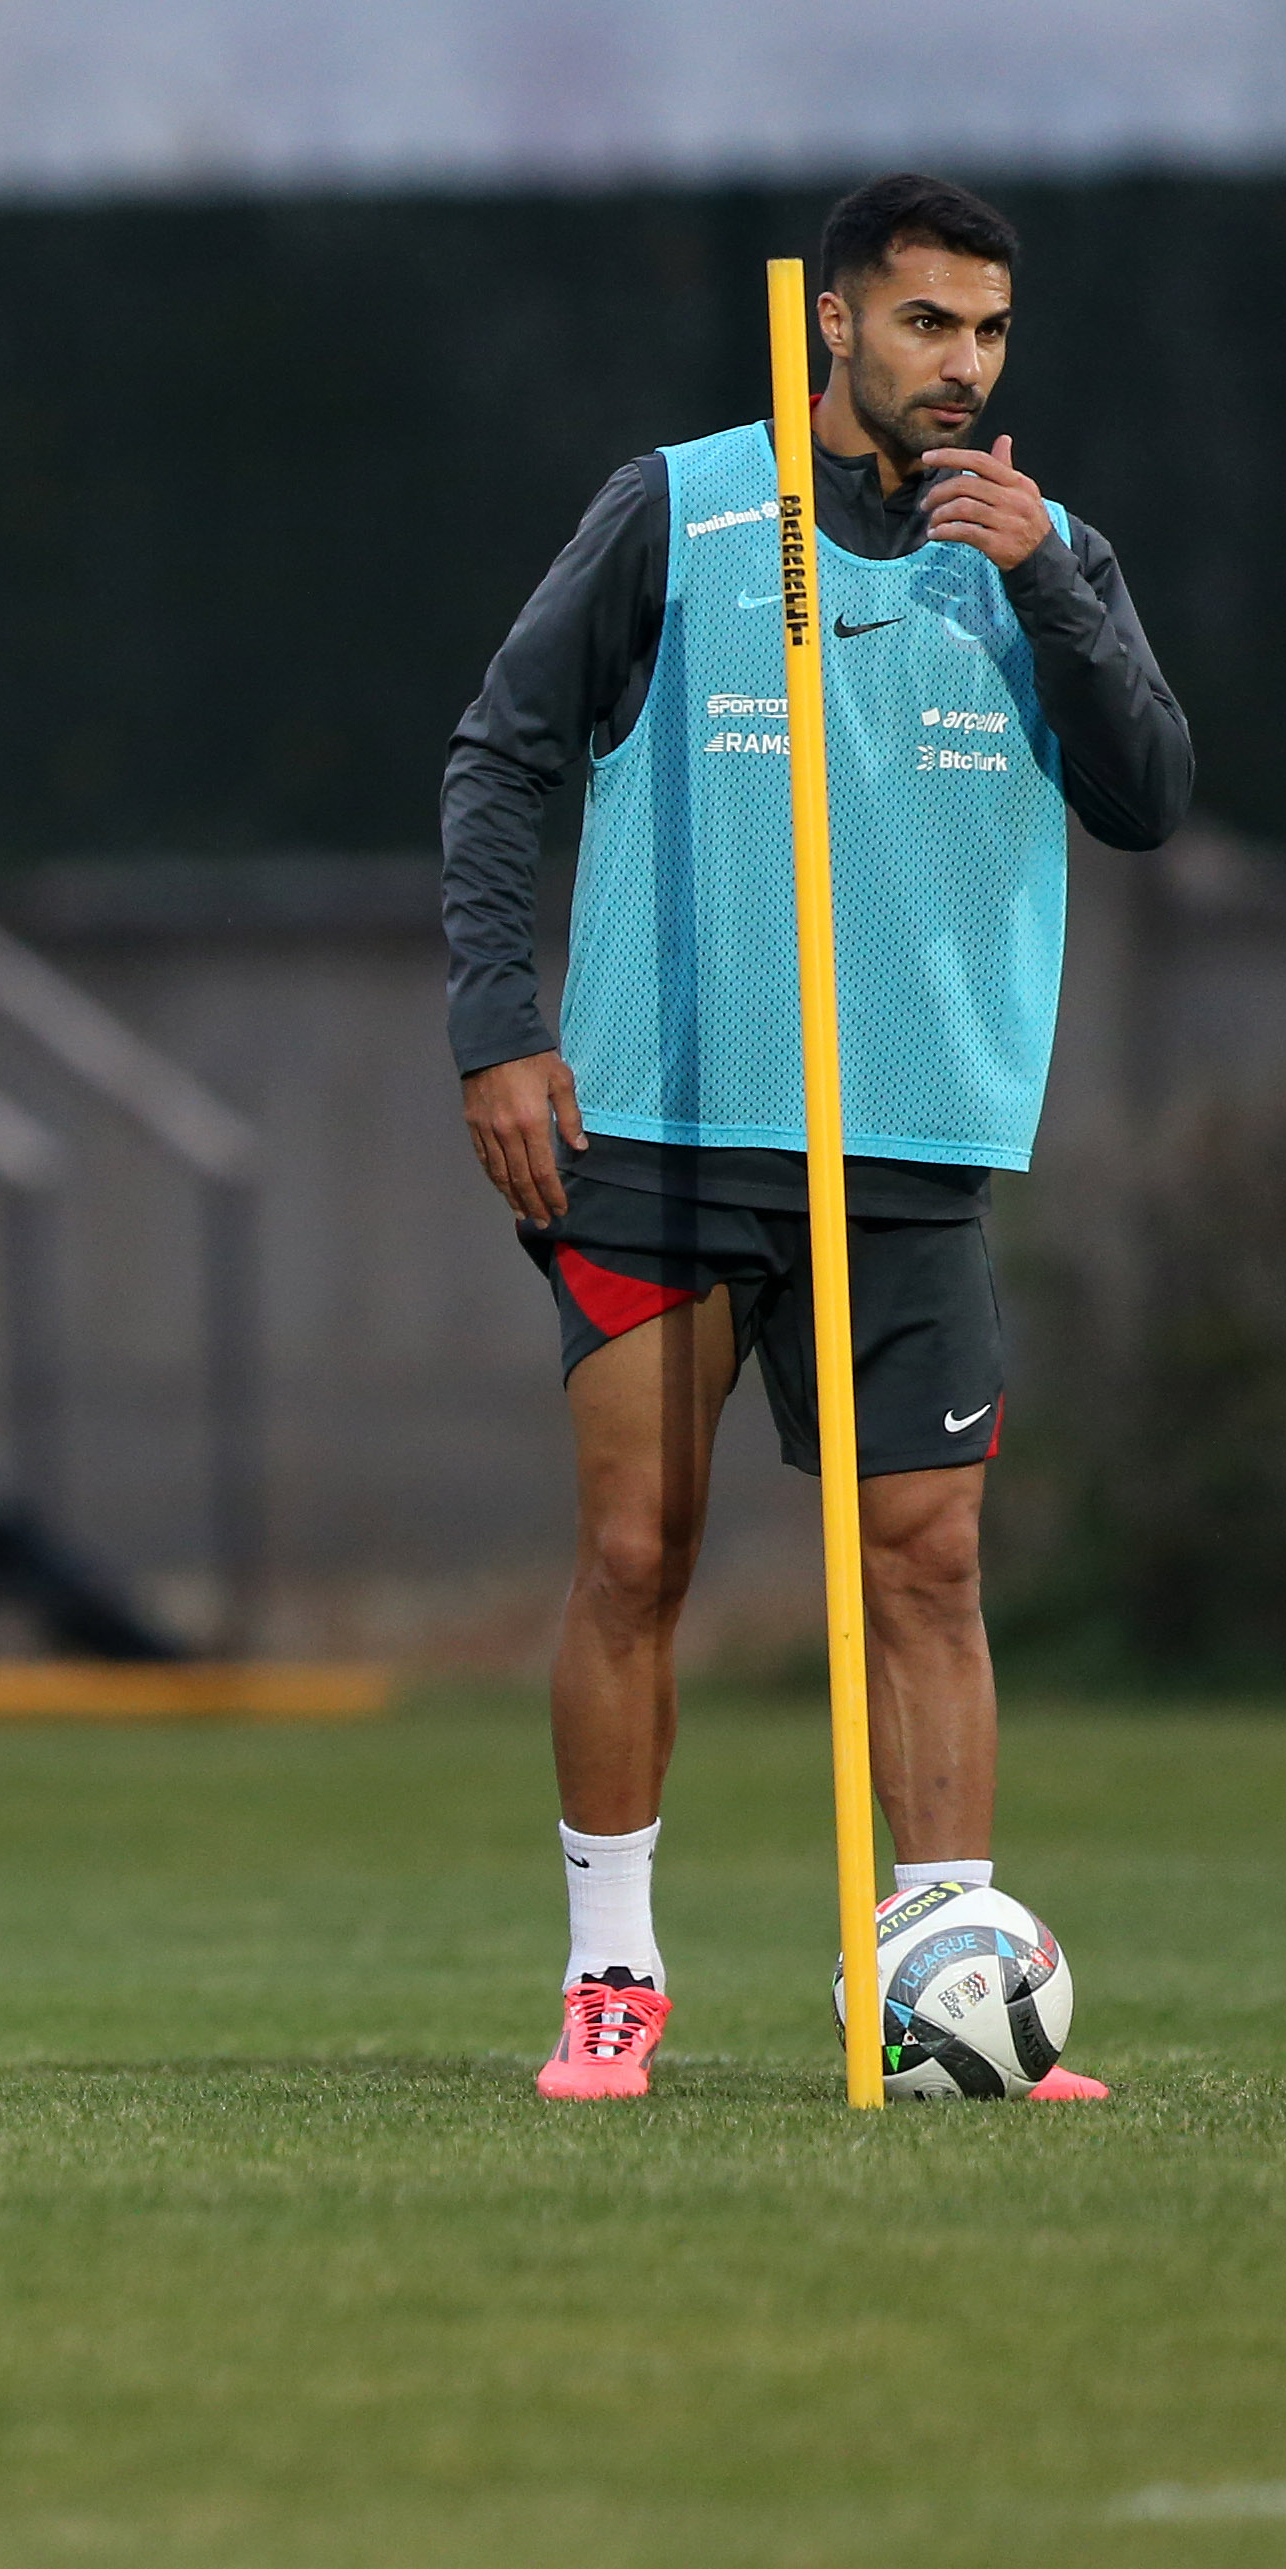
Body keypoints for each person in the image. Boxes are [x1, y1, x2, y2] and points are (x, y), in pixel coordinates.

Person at [441, 173, 1194, 2102]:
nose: (962, 362)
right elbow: (502, 749)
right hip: (669, 1130)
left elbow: (1150, 796)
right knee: (637, 1552)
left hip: (917, 1141)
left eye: (991, 330)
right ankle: (612, 1974)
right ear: (834, 324)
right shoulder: (682, 505)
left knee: (928, 1563)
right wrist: (497, 1031)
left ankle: (943, 1965)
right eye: (926, 321)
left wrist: (1052, 580)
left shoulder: (1042, 551)